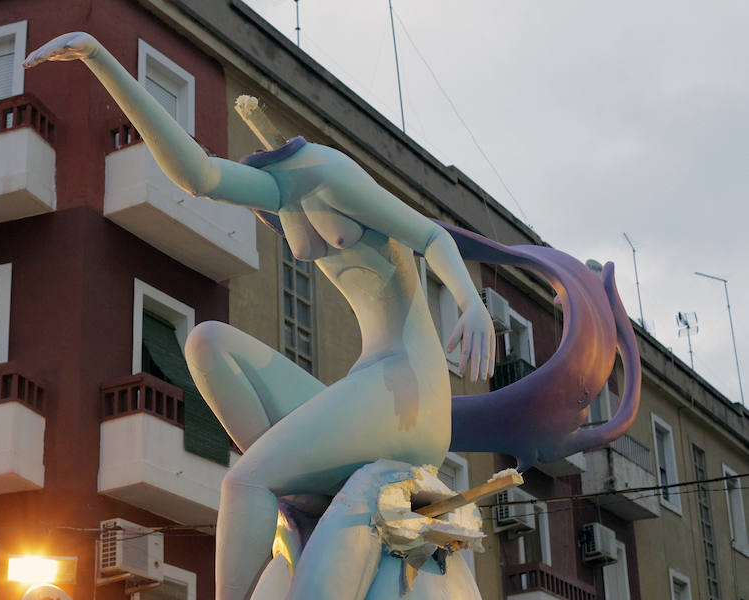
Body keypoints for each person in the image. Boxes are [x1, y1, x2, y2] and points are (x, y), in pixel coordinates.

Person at [25, 32, 495, 600]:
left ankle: (258, 528)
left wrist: (471, 305)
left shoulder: (328, 173)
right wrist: (100, 59)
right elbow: (195, 174)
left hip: (407, 391)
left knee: (244, 481)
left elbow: (429, 233)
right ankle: (295, 491)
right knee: (207, 342)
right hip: (370, 381)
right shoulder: (284, 189)